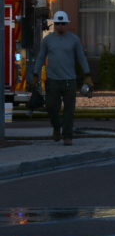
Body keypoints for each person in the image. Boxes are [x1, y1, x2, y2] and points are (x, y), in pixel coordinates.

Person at [32, 10, 93, 145]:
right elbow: (41, 57)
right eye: (58, 23)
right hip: (53, 80)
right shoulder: (47, 40)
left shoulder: (74, 40)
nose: (60, 26)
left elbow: (81, 58)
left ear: (67, 24)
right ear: (54, 24)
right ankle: (56, 127)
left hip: (69, 81)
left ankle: (67, 136)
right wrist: (36, 74)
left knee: (69, 111)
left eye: (63, 23)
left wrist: (87, 75)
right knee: (51, 107)